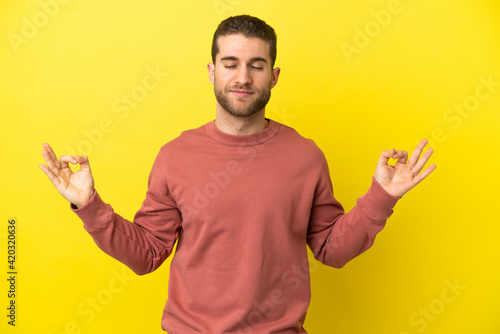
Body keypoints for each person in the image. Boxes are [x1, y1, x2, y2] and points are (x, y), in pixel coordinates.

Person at [39, 14, 436, 334]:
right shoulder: (175, 156)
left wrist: (382, 197)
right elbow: (146, 255)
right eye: (231, 64)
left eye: (255, 65)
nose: (242, 77)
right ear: (212, 71)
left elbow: (332, 249)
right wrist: (87, 204)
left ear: (274, 76)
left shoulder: (305, 157)